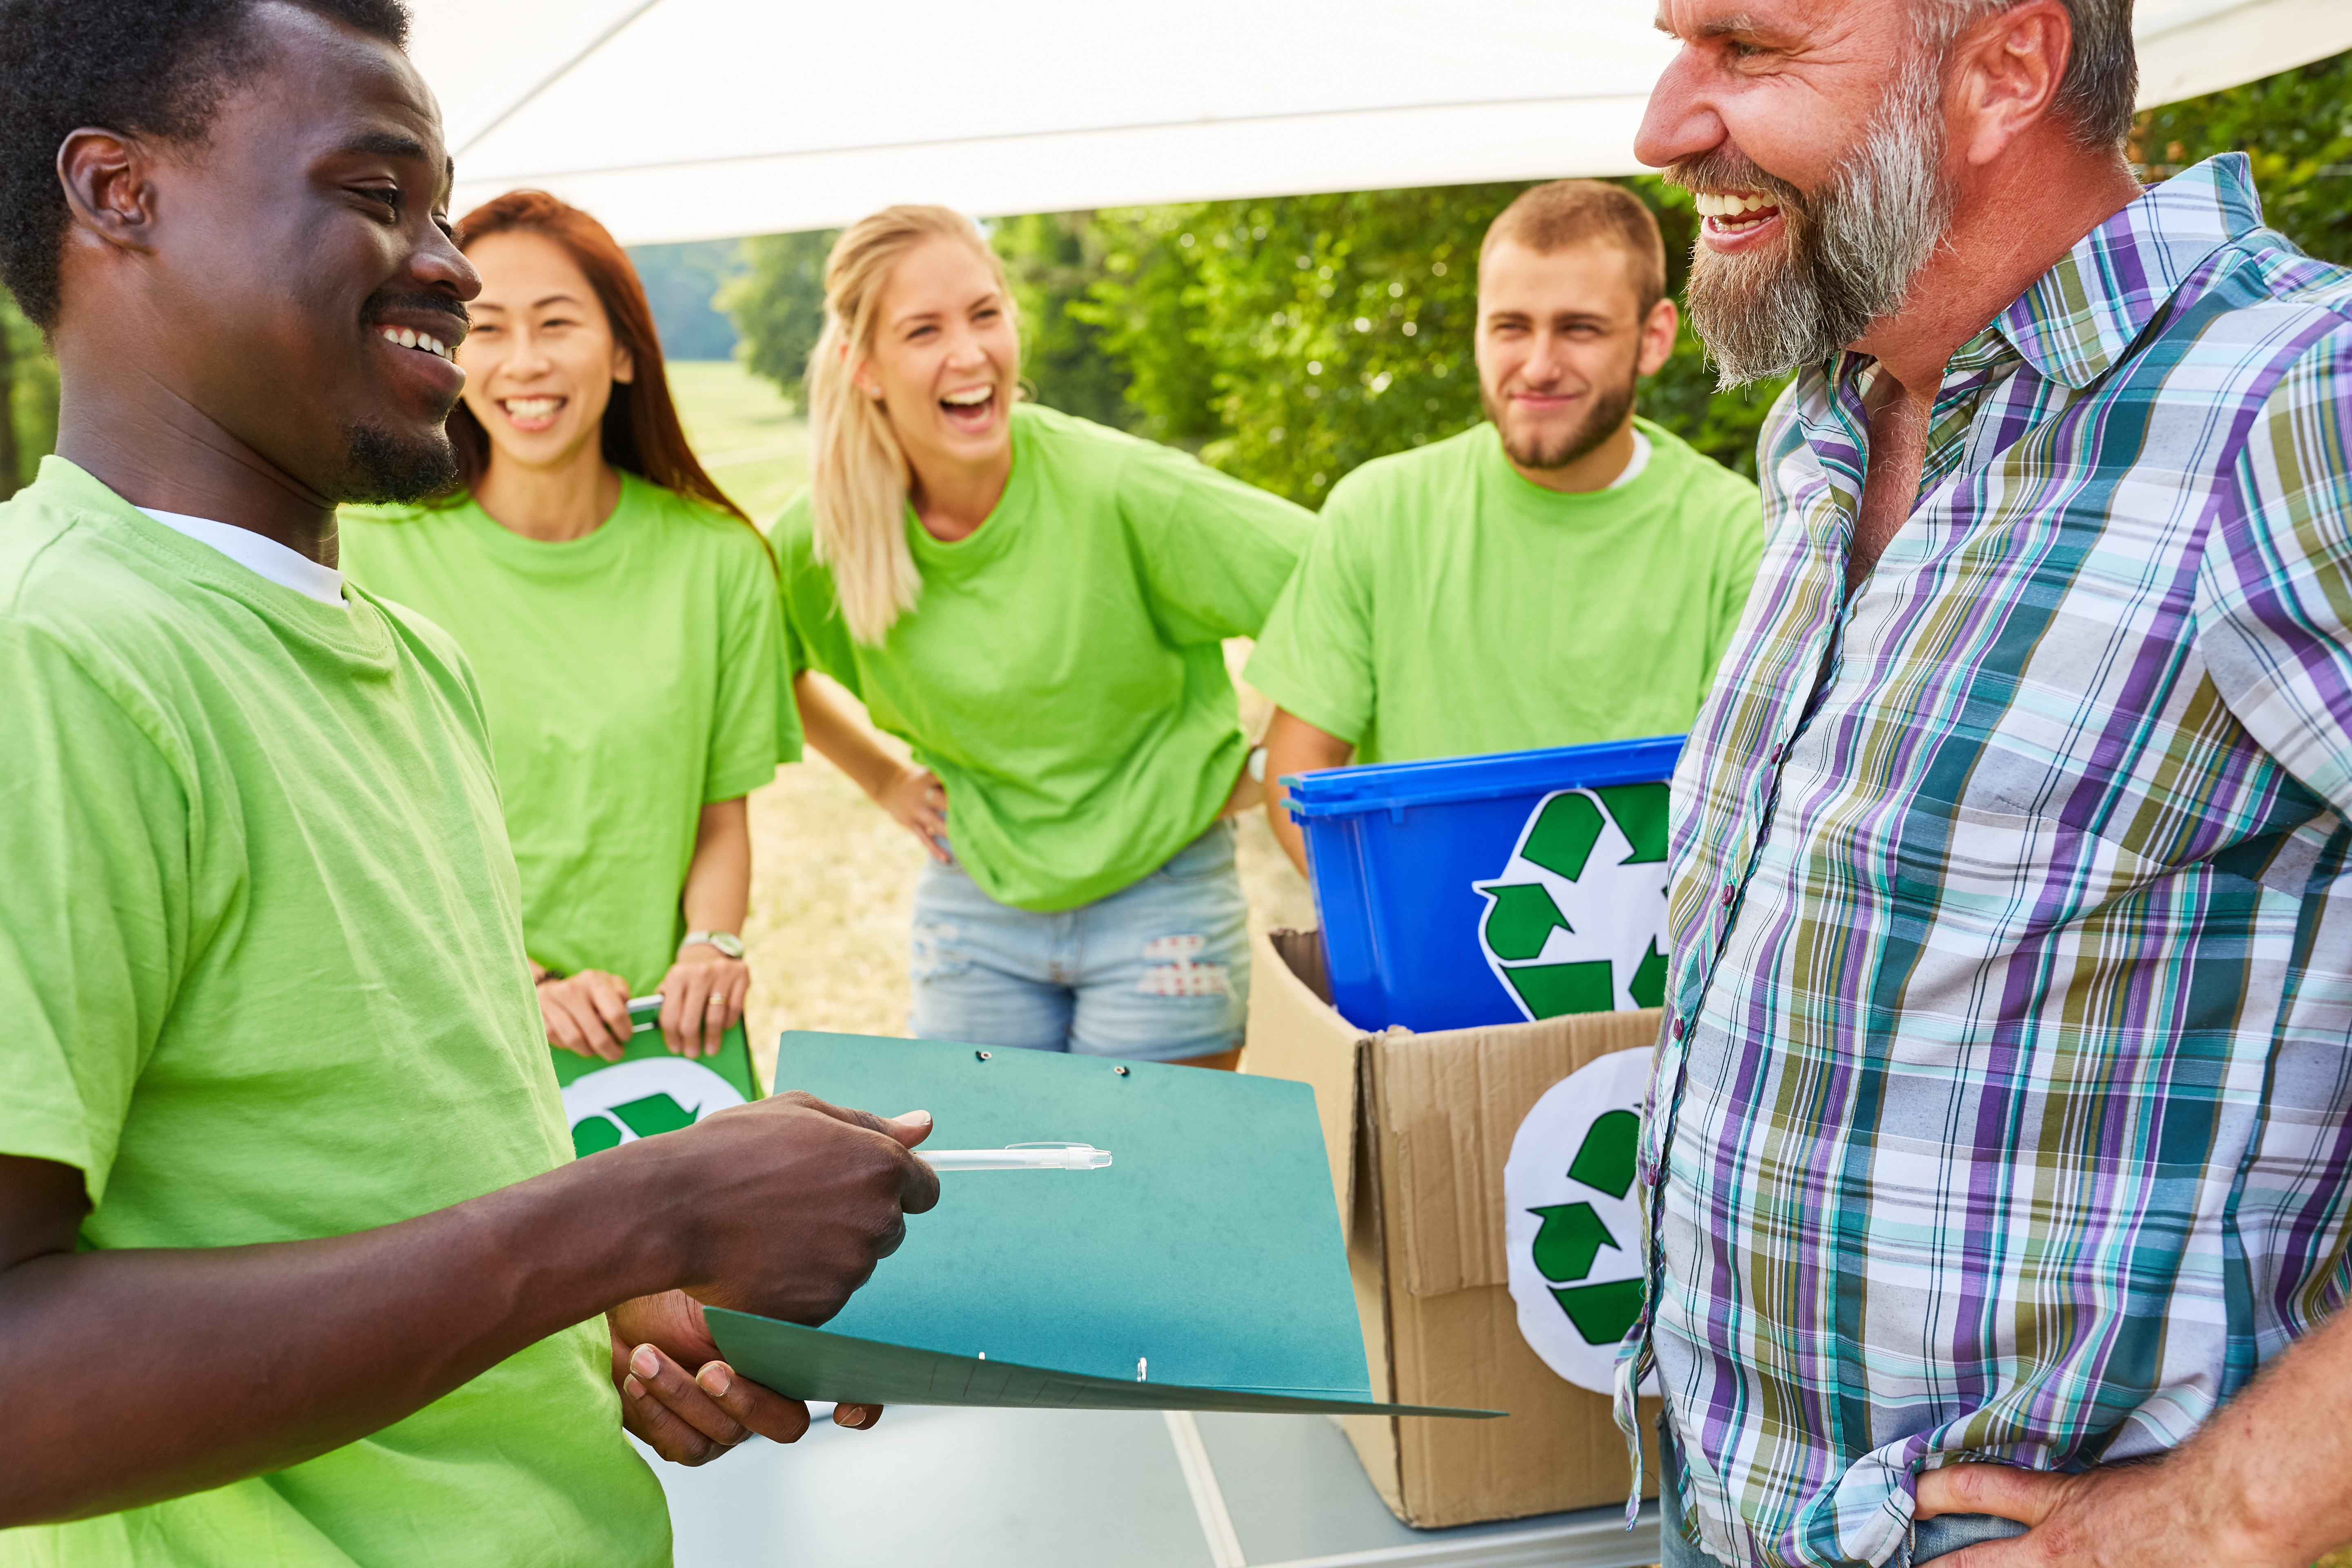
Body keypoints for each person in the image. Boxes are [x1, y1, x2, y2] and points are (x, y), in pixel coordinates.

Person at [0, 2, 938, 1560]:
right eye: (376, 196)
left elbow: (395, 1179)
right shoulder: (51, 662)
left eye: (442, 205)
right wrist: (640, 1212)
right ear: (119, 192)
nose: (451, 265)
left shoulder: (407, 660)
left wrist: (625, 1303)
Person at [1625, 0, 2352, 1563]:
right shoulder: (1837, 416)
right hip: (1733, 1504)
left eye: (1749, 51)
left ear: (2007, 69)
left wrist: (2232, 1513)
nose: (1667, 122)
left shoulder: (2299, 400)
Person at [779, 205, 1313, 1067]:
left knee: (1156, 1198)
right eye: (925, 330)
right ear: (865, 367)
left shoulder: (1121, 489)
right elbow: (753, 669)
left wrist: (1268, 773)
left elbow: (1337, 593)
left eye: (986, 314)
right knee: (986, 1199)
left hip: (1163, 897)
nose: (970, 352)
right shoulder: (822, 538)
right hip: (975, 904)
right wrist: (882, 779)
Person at [343, 189, 795, 1065]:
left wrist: (714, 944)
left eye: (557, 325)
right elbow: (365, 837)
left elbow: (718, 813)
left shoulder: (721, 559)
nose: (524, 364)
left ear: (625, 352)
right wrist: (528, 981)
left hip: (665, 1040)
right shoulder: (365, 554)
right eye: (491, 327)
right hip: (455, 1038)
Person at [1247, 180, 1764, 875]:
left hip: (1664, 976)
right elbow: (1298, 764)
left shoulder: (1738, 535)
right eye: (1511, 326)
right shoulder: (1377, 510)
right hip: (1430, 967)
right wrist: (1405, 941)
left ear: (1654, 338)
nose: (1540, 366)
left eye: (1580, 328)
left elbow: (1749, 800)